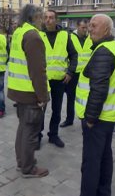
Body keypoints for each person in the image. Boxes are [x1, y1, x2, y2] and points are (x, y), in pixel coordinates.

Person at [75, 14, 115, 196]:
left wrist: (90, 118)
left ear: (107, 30)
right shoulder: (111, 47)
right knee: (104, 158)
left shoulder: (104, 51)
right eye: (90, 25)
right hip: (107, 117)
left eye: (95, 26)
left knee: (91, 163)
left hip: (97, 119)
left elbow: (99, 89)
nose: (90, 28)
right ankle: (103, 192)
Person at [8, 4, 50, 178]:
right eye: (42, 17)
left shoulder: (19, 32)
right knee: (30, 132)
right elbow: (37, 71)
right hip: (30, 93)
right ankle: (28, 167)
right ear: (34, 17)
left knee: (23, 129)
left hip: (19, 90)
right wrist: (42, 96)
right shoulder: (33, 36)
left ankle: (21, 162)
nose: (44, 21)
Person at [39, 10, 78, 148]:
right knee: (40, 109)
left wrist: (70, 72)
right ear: (43, 20)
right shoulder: (39, 35)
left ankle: (53, 135)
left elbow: (74, 55)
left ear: (56, 20)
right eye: (46, 17)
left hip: (59, 80)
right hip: (43, 81)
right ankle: (38, 136)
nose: (48, 20)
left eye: (51, 18)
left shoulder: (65, 36)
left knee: (56, 109)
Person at [60, 19, 92, 128]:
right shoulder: (70, 37)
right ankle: (69, 119)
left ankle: (86, 119)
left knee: (87, 97)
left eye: (87, 27)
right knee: (71, 97)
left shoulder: (90, 38)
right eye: (83, 27)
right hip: (74, 73)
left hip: (87, 74)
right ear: (77, 26)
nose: (85, 30)